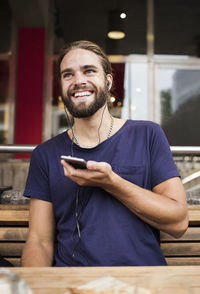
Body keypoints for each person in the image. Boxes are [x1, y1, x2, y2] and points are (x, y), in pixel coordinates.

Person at [21, 40, 188, 267]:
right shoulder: (45, 154)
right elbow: (39, 242)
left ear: (108, 81)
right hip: (71, 287)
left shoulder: (147, 134)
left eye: (89, 71)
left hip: (144, 284)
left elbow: (178, 223)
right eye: (67, 75)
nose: (79, 81)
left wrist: (112, 183)